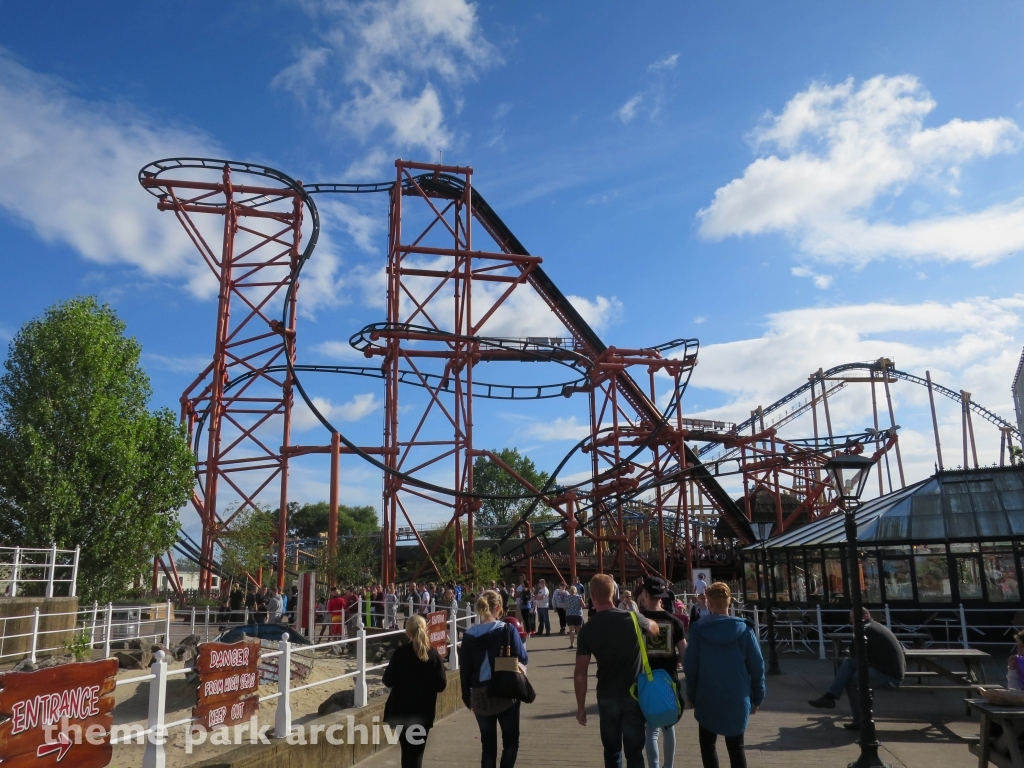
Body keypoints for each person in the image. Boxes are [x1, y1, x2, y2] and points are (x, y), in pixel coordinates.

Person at [574, 573, 660, 768]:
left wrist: (581, 706)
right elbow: (654, 630)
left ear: (592, 596)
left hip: (606, 696)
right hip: (634, 695)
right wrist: (650, 619)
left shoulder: (588, 629)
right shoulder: (633, 618)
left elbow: (580, 672)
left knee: (612, 753)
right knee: (635, 753)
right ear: (614, 594)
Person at [684, 582, 765, 768]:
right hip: (738, 696)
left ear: (709, 604)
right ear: (729, 602)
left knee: (707, 745)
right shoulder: (745, 630)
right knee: (737, 747)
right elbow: (757, 667)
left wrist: (691, 694)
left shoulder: (698, 630)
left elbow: (691, 667)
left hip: (707, 695)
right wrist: (758, 696)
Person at [460, 590, 528, 768]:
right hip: (506, 692)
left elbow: (465, 671)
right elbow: (523, 657)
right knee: (511, 742)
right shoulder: (507, 629)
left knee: (488, 747)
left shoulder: (469, 635)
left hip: (480, 695)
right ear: (498, 608)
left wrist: (467, 698)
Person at [808, 608, 905, 729]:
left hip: (890, 677)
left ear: (864, 616)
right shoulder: (874, 626)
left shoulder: (866, 629)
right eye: (851, 619)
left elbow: (854, 652)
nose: (852, 622)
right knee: (848, 663)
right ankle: (830, 697)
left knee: (851, 682)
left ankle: (860, 720)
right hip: (885, 669)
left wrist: (855, 633)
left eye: (853, 619)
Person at [383, 615, 449, 768]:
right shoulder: (432, 655)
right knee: (416, 754)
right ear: (426, 630)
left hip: (400, 710)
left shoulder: (400, 653)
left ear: (408, 633)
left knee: (406, 753)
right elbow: (441, 684)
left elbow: (387, 680)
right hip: (422, 712)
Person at [637, 576, 687, 768]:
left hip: (645, 679)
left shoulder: (637, 620)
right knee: (669, 726)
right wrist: (678, 662)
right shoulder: (674, 621)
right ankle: (669, 766)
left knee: (651, 729)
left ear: (645, 594)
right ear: (663, 596)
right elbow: (684, 652)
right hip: (669, 678)